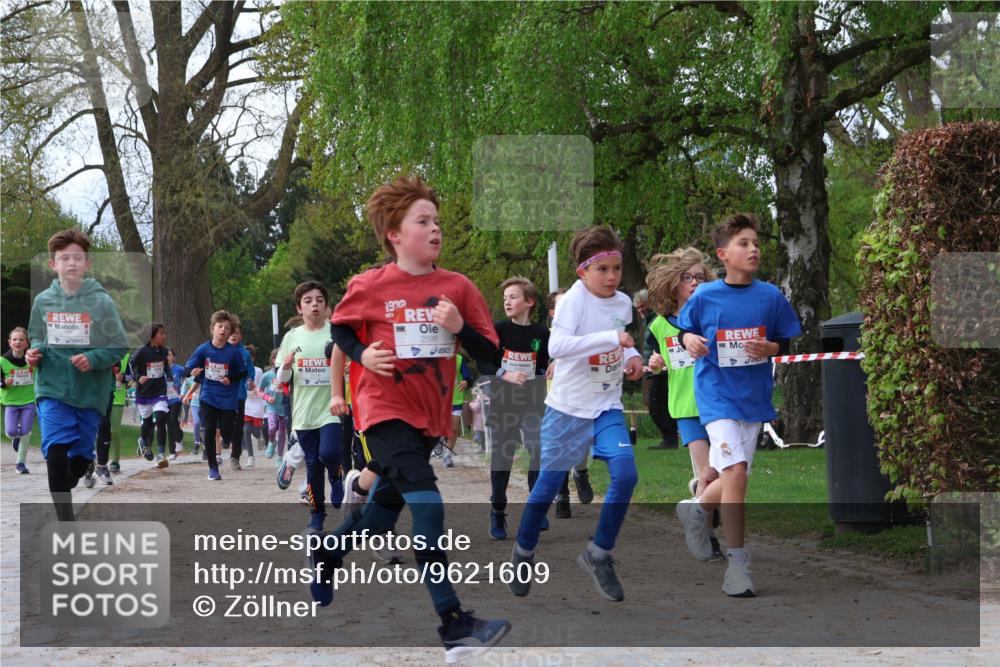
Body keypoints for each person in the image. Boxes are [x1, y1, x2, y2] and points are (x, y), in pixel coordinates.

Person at [319, 175, 510, 661]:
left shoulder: (458, 288)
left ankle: (326, 554)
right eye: (422, 221)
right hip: (383, 411)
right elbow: (340, 330)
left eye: (437, 222)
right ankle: (454, 623)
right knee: (428, 506)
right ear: (395, 234)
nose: (435, 230)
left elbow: (490, 358)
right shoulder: (370, 285)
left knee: (379, 517)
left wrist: (459, 327)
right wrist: (364, 353)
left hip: (430, 419)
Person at [508, 225, 643, 603]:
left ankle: (599, 553)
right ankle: (523, 550)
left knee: (626, 473)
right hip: (567, 409)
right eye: (603, 270)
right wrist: (611, 340)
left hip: (607, 406)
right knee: (547, 488)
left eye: (617, 268)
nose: (612, 277)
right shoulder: (573, 301)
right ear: (583, 271)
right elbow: (558, 346)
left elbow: (623, 343)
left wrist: (633, 359)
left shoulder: (622, 303)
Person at [676, 213, 801, 597]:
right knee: (739, 472)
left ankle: (696, 507)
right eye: (744, 243)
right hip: (716, 397)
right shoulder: (706, 296)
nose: (753, 249)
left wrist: (772, 348)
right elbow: (684, 331)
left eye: (756, 243)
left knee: (733, 478)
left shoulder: (770, 296)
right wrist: (689, 342)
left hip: (753, 399)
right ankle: (737, 565)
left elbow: (788, 340)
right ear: (723, 254)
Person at [27, 228, 128, 521]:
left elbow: (119, 345)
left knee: (76, 463)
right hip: (52, 387)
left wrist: (94, 358)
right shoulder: (43, 301)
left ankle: (79, 469)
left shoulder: (101, 302)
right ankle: (66, 524)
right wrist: (35, 352)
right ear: (53, 264)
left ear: (87, 264)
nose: (71, 263)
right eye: (64, 258)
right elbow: (36, 336)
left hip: (90, 393)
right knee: (55, 453)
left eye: (77, 258)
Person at [645, 247, 724, 561]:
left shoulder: (713, 317)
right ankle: (707, 537)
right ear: (672, 283)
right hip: (686, 408)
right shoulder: (658, 326)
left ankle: (694, 502)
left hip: (718, 403)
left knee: (718, 476)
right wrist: (655, 363)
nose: (694, 282)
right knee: (707, 474)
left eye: (700, 277)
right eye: (687, 277)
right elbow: (657, 361)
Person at [478, 276, 552, 539]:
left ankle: (536, 507)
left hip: (533, 402)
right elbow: (483, 364)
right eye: (505, 298)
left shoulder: (543, 334)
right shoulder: (498, 330)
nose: (507, 301)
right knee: (502, 461)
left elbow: (545, 363)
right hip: (504, 403)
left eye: (514, 297)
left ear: (529, 302)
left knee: (539, 450)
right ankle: (497, 511)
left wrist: (550, 367)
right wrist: (503, 373)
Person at [276, 281, 344, 531]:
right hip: (304, 412)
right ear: (299, 308)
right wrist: (285, 366)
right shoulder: (292, 338)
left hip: (332, 408)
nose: (314, 304)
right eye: (308, 301)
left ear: (327, 307)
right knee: (313, 466)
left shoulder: (336, 333)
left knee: (328, 454)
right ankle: (317, 515)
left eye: (319, 300)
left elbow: (348, 368)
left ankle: (336, 476)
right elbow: (281, 381)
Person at [184, 310, 247, 481]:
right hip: (208, 396)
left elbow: (242, 372)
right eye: (220, 327)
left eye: (227, 328)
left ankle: (227, 440)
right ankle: (213, 468)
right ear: (212, 328)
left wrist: (230, 378)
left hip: (228, 398)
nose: (223, 330)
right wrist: (193, 371)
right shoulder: (203, 349)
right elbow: (187, 368)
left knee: (227, 432)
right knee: (210, 431)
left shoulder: (233, 352)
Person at [636, 288, 678, 450]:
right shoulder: (649, 321)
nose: (641, 310)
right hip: (654, 368)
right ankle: (670, 438)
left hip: (662, 369)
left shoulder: (658, 320)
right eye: (638, 308)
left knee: (656, 406)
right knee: (658, 404)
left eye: (643, 306)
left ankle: (670, 439)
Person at [128, 322, 171, 468]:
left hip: (159, 390)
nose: (164, 336)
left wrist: (170, 376)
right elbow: (130, 365)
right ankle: (144, 442)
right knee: (147, 422)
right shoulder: (141, 352)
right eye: (161, 334)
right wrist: (137, 376)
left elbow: (165, 366)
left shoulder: (165, 351)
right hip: (144, 392)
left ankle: (161, 454)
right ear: (152, 336)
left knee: (160, 418)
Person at [1, 327, 36, 474]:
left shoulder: (32, 360)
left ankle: (20, 463)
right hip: (11, 401)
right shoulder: (3, 360)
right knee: (11, 431)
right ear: (9, 342)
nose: (18, 342)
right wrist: (3, 383)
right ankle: (15, 438)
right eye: (15, 339)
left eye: (21, 339)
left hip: (29, 400)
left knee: (26, 432)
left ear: (27, 343)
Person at [226, 320, 255, 470]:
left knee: (238, 427)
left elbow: (250, 372)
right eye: (231, 332)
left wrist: (249, 382)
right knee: (226, 425)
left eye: (236, 333)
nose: (233, 335)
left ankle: (235, 457)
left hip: (239, 394)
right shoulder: (219, 351)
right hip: (221, 395)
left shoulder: (244, 354)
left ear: (240, 336)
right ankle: (225, 439)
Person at [260, 349, 288, 460]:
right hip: (271, 406)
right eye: (279, 358)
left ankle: (280, 457)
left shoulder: (288, 375)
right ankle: (271, 442)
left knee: (281, 434)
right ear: (273, 360)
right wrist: (267, 397)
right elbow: (260, 390)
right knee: (272, 428)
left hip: (284, 407)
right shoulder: (267, 375)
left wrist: (286, 390)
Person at [241, 344, 265, 468]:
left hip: (256, 403)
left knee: (255, 431)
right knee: (246, 429)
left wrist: (260, 393)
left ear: (253, 358)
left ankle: (260, 436)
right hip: (245, 402)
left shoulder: (258, 371)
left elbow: (262, 386)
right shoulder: (240, 370)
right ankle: (251, 457)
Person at [166, 348, 186, 460]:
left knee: (173, 419)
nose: (167, 357)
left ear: (173, 357)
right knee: (168, 424)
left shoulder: (179, 369)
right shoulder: (160, 370)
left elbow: (188, 379)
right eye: (165, 355)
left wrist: (185, 393)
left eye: (169, 355)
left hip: (176, 399)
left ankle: (179, 437)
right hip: (164, 400)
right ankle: (172, 451)